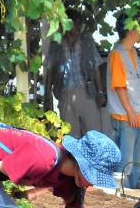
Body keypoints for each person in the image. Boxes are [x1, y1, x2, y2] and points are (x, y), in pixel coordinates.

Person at [43, 9, 106, 138]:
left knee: (94, 134)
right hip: (65, 94)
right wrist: (47, 96)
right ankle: (74, 159)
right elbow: (49, 71)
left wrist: (100, 92)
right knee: (70, 136)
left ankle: (94, 159)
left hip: (87, 92)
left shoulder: (87, 42)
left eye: (78, 25)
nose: (76, 28)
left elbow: (96, 69)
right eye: (73, 24)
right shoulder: (56, 45)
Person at [107, 14, 140, 189]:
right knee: (125, 162)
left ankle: (131, 196)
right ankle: (121, 197)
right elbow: (119, 87)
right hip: (127, 118)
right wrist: (131, 112)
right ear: (132, 30)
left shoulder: (131, 51)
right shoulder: (117, 54)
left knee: (136, 163)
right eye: (139, 26)